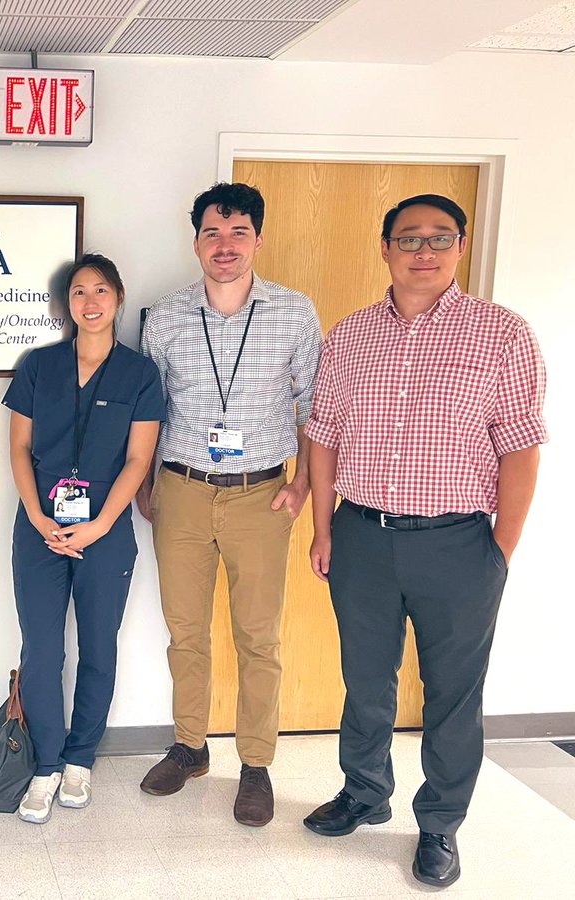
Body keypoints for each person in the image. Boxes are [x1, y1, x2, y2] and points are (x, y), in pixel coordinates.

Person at [302, 194, 547, 888]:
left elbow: (521, 450)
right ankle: (364, 793)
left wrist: (498, 550)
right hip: (362, 537)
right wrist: (323, 529)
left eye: (440, 237)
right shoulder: (349, 336)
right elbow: (323, 438)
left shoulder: (502, 335)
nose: (424, 251)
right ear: (385, 248)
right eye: (409, 238)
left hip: (459, 545)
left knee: (452, 695)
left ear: (461, 246)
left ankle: (439, 824)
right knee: (366, 682)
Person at [137, 183, 322, 826]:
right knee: (185, 630)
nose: (225, 245)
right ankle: (190, 747)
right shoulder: (163, 317)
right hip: (181, 489)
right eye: (213, 232)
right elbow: (148, 410)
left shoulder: (295, 314)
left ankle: (256, 763)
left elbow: (311, 406)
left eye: (238, 232)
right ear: (195, 241)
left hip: (262, 496)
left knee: (257, 636)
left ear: (258, 240)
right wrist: (144, 483)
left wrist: (301, 484)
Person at [3, 253, 163, 824]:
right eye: (78, 292)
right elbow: (19, 450)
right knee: (42, 650)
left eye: (100, 290)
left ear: (118, 298)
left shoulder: (140, 375)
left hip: (107, 530)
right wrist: (39, 517)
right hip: (38, 529)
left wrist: (96, 526)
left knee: (99, 646)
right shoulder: (37, 367)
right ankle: (46, 765)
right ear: (65, 304)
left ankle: (79, 759)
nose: (89, 302)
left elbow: (139, 459)